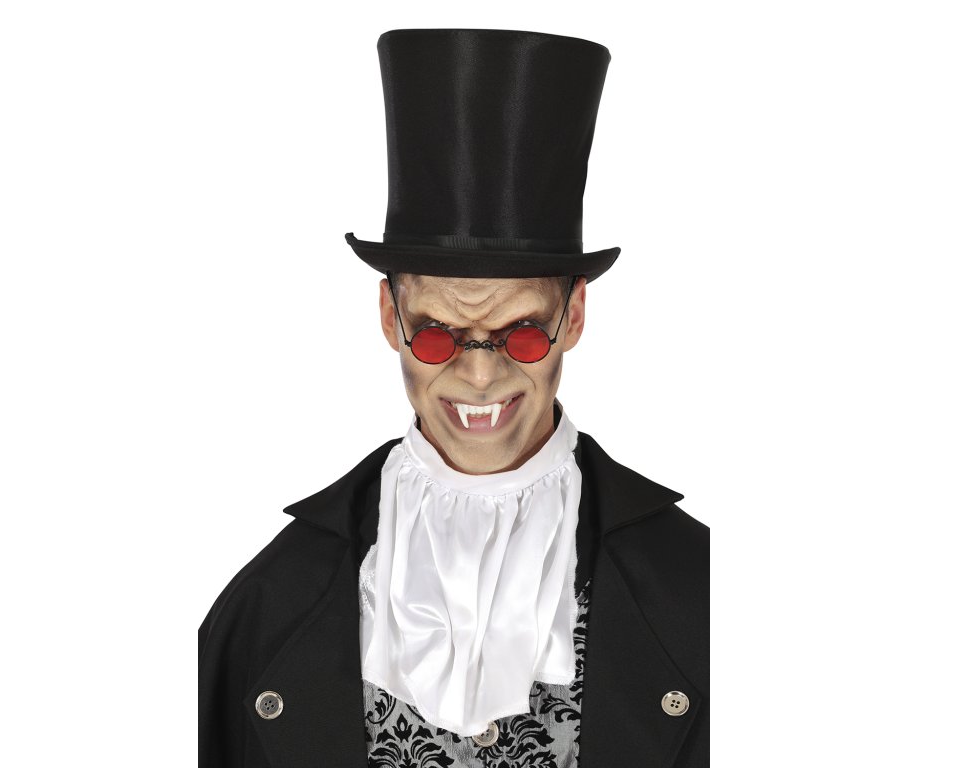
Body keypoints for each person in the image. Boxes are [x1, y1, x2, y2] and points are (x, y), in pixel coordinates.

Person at [199, 28, 709, 768]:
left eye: (520, 334)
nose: (478, 377)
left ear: (573, 317)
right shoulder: (269, 605)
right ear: (391, 318)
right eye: (438, 335)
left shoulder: (698, 592)